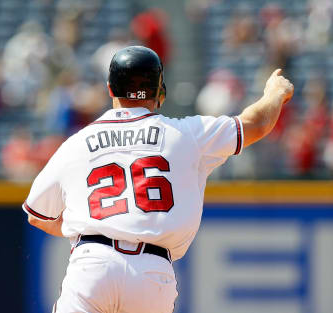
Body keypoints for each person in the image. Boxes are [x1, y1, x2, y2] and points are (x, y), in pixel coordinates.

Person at [22, 46, 293, 313]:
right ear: (159, 90)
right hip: (152, 273)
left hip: (93, 265)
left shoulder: (76, 144)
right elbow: (256, 123)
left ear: (110, 88)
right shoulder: (187, 134)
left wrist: (86, 229)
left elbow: (37, 215)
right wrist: (275, 92)